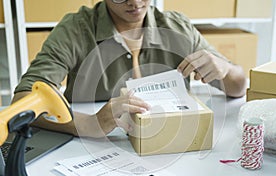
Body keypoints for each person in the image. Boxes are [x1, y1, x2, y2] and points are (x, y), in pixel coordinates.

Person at [11, 0, 247, 138]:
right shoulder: (76, 29)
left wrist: (225, 69)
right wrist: (88, 124)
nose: (134, 2)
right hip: (95, 151)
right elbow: (23, 100)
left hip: (171, 144)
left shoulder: (177, 27)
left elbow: (238, 87)